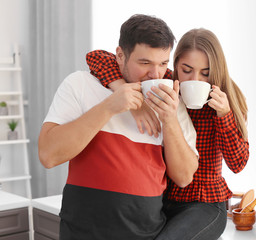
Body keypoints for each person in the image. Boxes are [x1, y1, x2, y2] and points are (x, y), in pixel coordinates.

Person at [38, 14, 199, 240]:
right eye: (145, 63)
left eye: (162, 63)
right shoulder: (80, 84)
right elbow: (48, 154)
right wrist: (109, 107)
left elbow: (183, 177)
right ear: (120, 56)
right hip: (82, 233)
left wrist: (169, 119)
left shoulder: (171, 101)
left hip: (148, 234)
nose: (155, 74)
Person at [86, 28, 249, 240]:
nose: (195, 79)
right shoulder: (167, 83)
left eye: (205, 73)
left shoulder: (228, 98)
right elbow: (97, 57)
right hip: (162, 199)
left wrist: (224, 115)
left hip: (206, 204)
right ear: (175, 65)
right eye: (187, 69)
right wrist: (121, 90)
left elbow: (238, 163)